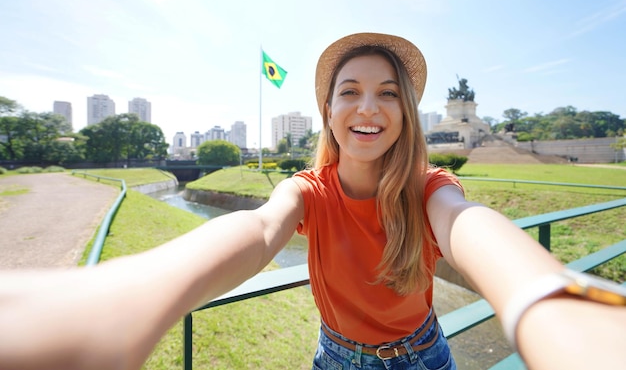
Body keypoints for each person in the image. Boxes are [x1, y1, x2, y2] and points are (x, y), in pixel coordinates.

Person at [0, 32, 625, 370]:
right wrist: (134, 291)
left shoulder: (431, 187)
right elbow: (258, 228)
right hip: (337, 360)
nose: (368, 107)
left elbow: (473, 229)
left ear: (405, 111)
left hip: (427, 357)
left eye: (387, 92)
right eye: (349, 90)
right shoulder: (307, 189)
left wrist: (552, 298)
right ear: (328, 111)